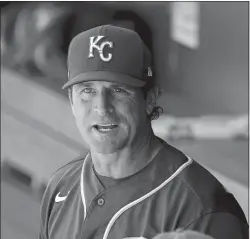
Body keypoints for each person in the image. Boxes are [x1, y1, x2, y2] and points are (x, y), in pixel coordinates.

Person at [39, 25, 248, 239]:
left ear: (150, 99)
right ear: (72, 102)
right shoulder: (62, 185)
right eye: (87, 91)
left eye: (119, 90)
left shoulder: (201, 208)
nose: (101, 107)